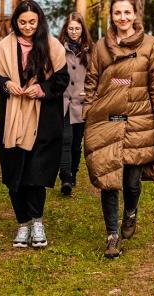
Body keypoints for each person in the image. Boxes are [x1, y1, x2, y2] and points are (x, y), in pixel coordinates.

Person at [83, 0, 154, 259]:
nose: (122, 18)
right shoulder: (101, 47)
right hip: (107, 119)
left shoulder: (151, 45)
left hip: (138, 120)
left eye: (127, 12)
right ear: (111, 16)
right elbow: (92, 81)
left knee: (132, 182)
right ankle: (112, 236)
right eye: (117, 13)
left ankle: (130, 212)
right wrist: (88, 113)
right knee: (108, 179)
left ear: (135, 14)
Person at [0, 0, 69, 249]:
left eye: (32, 22)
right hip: (12, 119)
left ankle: (37, 222)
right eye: (22, 22)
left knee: (35, 174)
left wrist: (42, 89)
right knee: (15, 173)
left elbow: (61, 79)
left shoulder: (52, 46)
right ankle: (22, 223)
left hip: (42, 119)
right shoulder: (5, 46)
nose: (27, 27)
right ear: (16, 22)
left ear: (39, 21)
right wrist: (6, 84)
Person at [58, 12, 93, 196]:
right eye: (70, 28)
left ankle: (73, 173)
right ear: (66, 30)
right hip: (63, 101)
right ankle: (65, 177)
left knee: (75, 143)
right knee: (65, 139)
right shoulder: (58, 49)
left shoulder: (90, 50)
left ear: (82, 30)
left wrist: (90, 92)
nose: (73, 32)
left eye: (77, 28)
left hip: (81, 102)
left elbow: (95, 75)